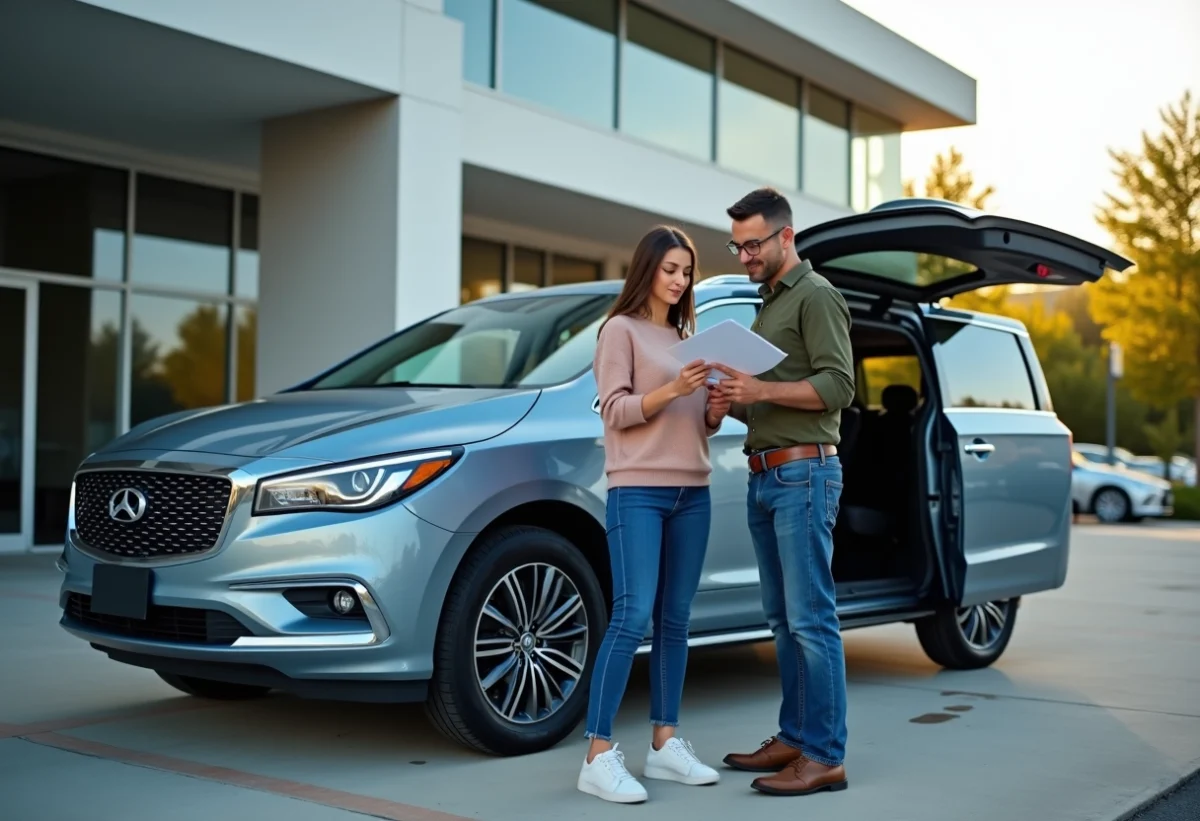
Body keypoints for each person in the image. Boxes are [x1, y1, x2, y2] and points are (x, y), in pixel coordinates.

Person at [576, 225, 731, 805]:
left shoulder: (686, 338)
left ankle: (665, 744)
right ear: (647, 269)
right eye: (670, 269)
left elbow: (692, 426)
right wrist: (672, 391)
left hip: (694, 491)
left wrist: (712, 408)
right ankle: (597, 754)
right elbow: (615, 411)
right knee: (632, 613)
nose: (680, 280)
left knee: (675, 618)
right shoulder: (619, 331)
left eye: (686, 271)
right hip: (637, 490)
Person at [709, 187, 855, 797]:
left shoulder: (816, 296)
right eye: (737, 245)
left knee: (811, 619)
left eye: (753, 243)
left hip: (804, 476)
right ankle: (795, 736)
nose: (744, 255)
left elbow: (839, 386)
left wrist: (761, 392)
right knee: (781, 620)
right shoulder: (765, 306)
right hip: (767, 474)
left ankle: (825, 755)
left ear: (786, 237)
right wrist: (732, 401)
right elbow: (774, 404)